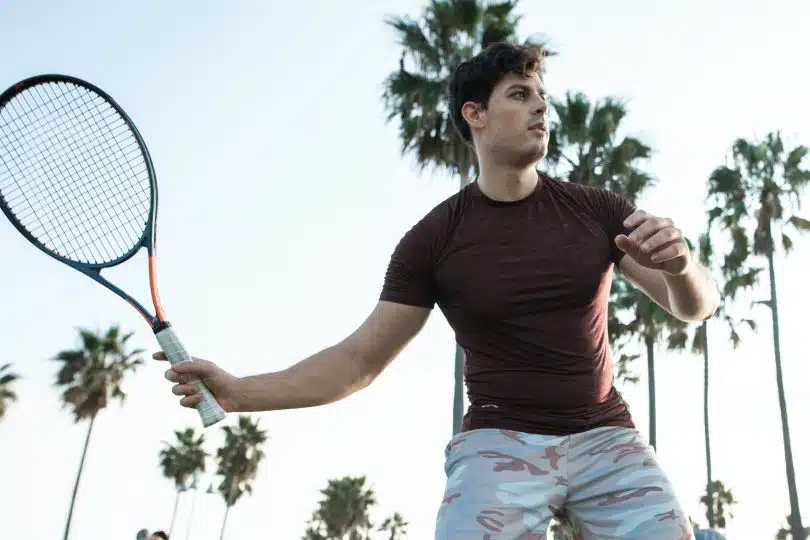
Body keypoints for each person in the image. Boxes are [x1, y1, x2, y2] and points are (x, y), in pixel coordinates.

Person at [155, 42, 719, 539]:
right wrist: (236, 392)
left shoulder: (596, 210)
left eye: (541, 96)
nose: (540, 107)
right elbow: (356, 361)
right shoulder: (434, 240)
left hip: (606, 438)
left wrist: (680, 265)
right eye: (520, 95)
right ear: (474, 113)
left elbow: (694, 307)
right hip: (498, 444)